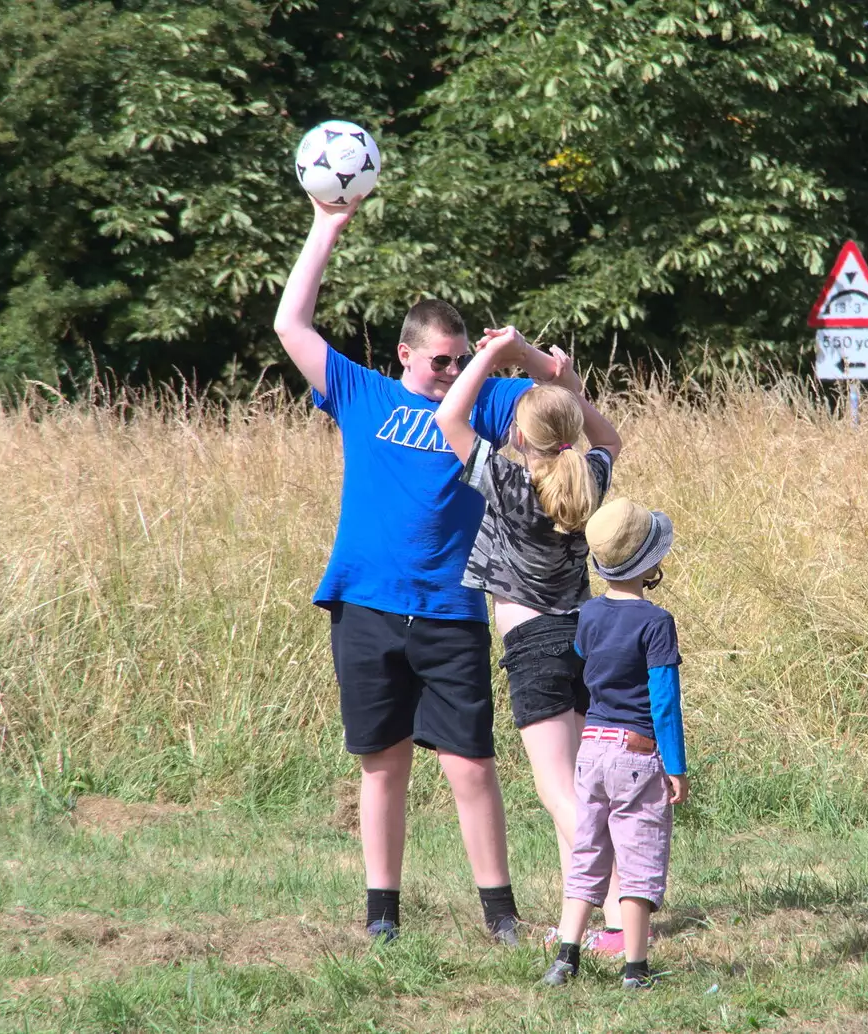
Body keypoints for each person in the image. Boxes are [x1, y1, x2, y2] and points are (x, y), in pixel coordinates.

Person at [272, 197, 580, 945]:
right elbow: (291, 326)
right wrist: (325, 228)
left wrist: (517, 357)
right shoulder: (361, 393)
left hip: (451, 609)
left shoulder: (486, 398)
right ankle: (383, 915)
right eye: (439, 360)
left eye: (459, 358)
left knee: (471, 768)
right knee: (383, 767)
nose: (450, 372)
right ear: (405, 356)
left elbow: (565, 401)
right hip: (366, 604)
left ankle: (499, 914)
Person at [433, 325, 631, 951]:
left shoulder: (510, 483)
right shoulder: (590, 474)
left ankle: (622, 922)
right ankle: (609, 911)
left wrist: (493, 353)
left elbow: (447, 417)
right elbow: (608, 436)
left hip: (533, 645)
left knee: (559, 792)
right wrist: (555, 377)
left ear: (518, 437)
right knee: (582, 784)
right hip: (582, 636)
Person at [541, 499, 688, 990]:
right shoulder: (656, 622)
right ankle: (635, 969)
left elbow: (583, 666)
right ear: (650, 564)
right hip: (637, 752)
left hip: (592, 749)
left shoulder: (589, 615)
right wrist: (676, 765)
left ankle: (566, 957)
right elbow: (664, 702)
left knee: (589, 851)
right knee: (639, 855)